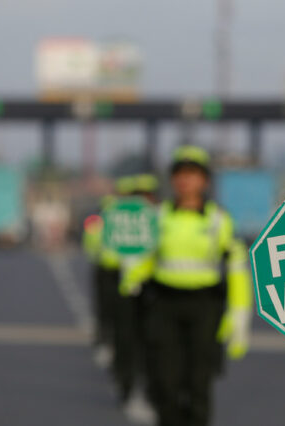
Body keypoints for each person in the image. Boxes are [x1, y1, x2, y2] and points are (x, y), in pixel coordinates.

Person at [121, 146, 253, 426]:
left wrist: (239, 314)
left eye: (192, 174)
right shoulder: (158, 216)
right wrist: (132, 275)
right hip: (164, 304)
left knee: (198, 383)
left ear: (204, 180)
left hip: (204, 306)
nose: (185, 181)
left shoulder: (218, 219)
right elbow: (146, 257)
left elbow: (237, 269)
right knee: (163, 382)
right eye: (179, 174)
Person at [113, 173, 159, 422]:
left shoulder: (162, 217)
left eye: (147, 195)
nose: (143, 200)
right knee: (126, 338)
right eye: (138, 195)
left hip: (155, 287)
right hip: (125, 286)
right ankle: (126, 383)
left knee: (153, 342)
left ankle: (153, 388)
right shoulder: (120, 218)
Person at [82, 176, 134, 368]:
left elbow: (92, 236)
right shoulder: (127, 212)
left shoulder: (107, 210)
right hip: (115, 268)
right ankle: (107, 337)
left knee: (107, 308)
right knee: (111, 309)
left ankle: (105, 337)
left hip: (109, 267)